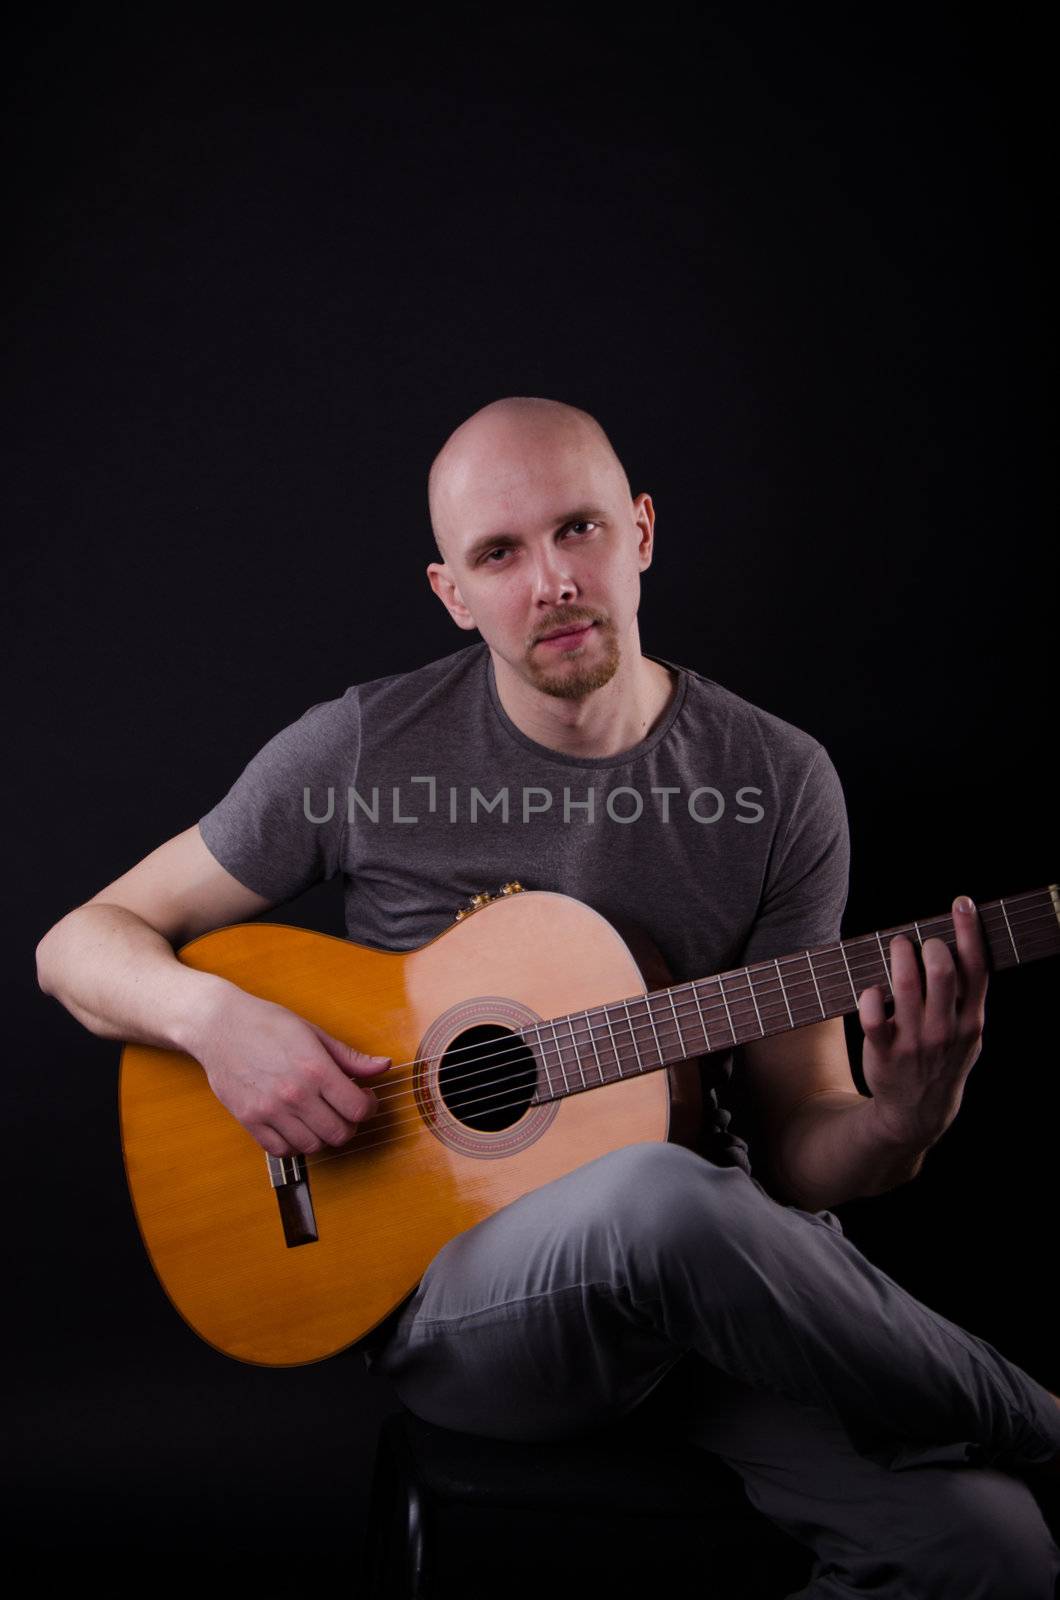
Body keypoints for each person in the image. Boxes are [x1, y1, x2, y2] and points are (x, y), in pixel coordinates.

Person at [36, 396, 1060, 1596]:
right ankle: (1038, 1419)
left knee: (993, 1554)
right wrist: (221, 1024)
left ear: (640, 531)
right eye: (499, 554)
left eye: (577, 529)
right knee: (655, 1195)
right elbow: (77, 945)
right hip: (471, 1309)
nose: (551, 581)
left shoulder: (778, 780)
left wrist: (903, 1121)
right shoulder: (365, 746)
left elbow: (794, 1154)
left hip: (724, 1287)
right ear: (452, 592)